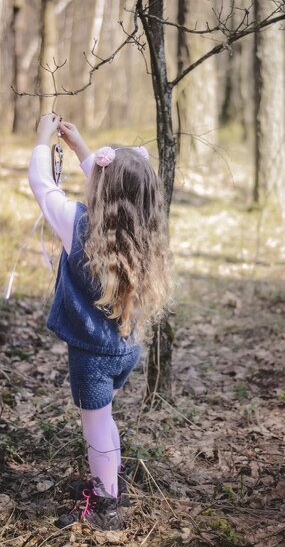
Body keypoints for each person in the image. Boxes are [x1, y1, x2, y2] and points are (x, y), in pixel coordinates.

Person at [28, 113, 172, 531]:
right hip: (125, 349)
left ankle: (106, 500)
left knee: (96, 426)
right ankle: (111, 479)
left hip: (91, 357)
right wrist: (82, 150)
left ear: (101, 192)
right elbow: (120, 190)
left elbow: (43, 186)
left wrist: (41, 140)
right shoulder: (143, 232)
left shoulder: (80, 227)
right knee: (105, 418)